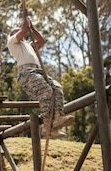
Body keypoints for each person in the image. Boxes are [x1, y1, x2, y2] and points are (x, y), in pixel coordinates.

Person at [7, 9, 74, 137]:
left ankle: (57, 120)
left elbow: (42, 41)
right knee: (46, 91)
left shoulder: (29, 45)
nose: (20, 32)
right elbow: (24, 29)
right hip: (26, 72)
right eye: (18, 31)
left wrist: (33, 28)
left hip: (38, 71)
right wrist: (25, 18)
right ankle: (47, 125)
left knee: (57, 88)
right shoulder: (12, 41)